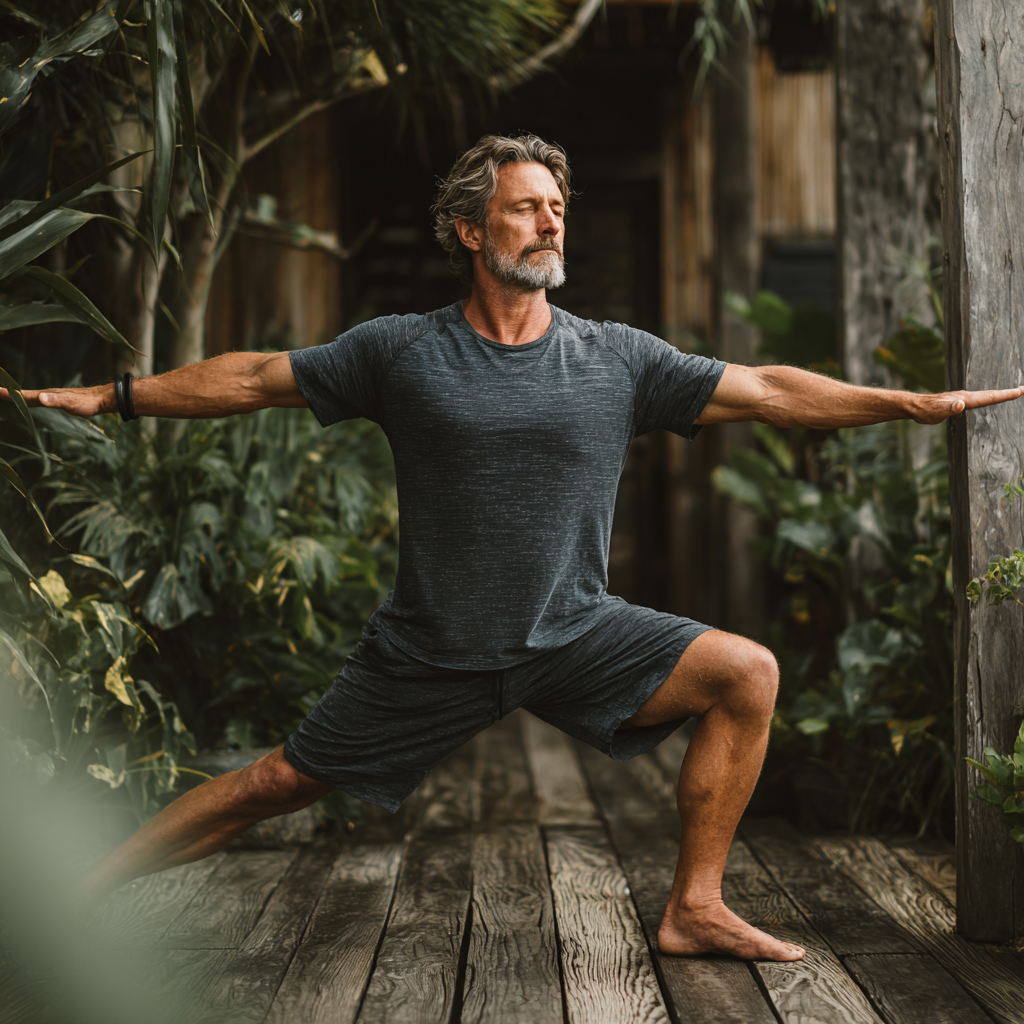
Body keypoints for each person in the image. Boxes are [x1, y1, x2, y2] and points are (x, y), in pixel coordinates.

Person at [4, 134, 1021, 962]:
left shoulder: (617, 357)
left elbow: (765, 389)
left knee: (745, 673)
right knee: (273, 785)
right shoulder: (400, 351)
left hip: (575, 631)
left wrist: (905, 403)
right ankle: (73, 894)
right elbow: (255, 378)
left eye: (557, 208)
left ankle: (693, 908)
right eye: (528, 206)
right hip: (431, 646)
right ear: (468, 228)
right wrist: (113, 394)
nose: (550, 221)